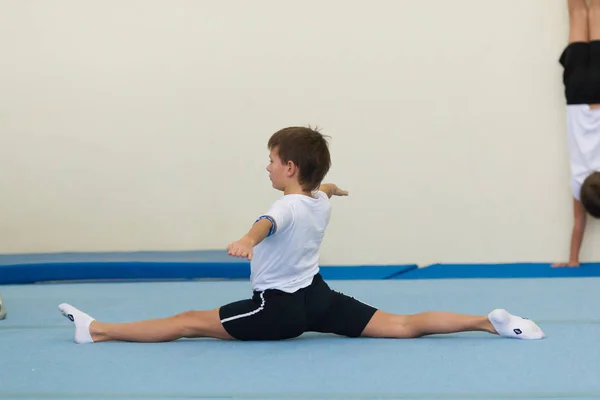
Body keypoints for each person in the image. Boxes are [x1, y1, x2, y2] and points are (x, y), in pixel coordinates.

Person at [58, 126, 544, 343]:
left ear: (289, 167)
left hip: (281, 308)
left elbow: (270, 222)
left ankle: (96, 331)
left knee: (188, 320)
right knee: (401, 324)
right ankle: (491, 322)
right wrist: (330, 185)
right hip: (318, 297)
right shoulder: (317, 197)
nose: (267, 166)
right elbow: (317, 192)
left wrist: (248, 240)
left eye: (272, 159)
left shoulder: (286, 203)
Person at [553, 0, 600, 268]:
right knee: (576, 12)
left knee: (595, 11)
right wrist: (572, 261)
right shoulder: (578, 184)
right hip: (576, 94)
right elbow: (578, 223)